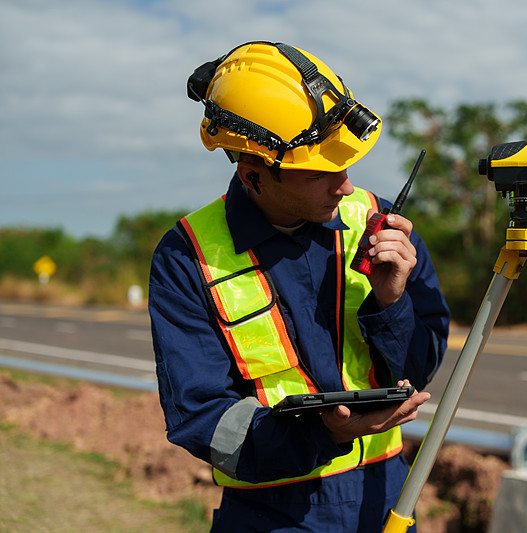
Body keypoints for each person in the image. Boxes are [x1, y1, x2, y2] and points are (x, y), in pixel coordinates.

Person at [148, 41, 450, 532]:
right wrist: (324, 433)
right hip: (271, 514)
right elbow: (204, 420)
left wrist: (392, 301)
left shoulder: (378, 222)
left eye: (345, 165)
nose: (345, 186)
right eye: (322, 172)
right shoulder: (188, 256)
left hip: (387, 499)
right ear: (254, 176)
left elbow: (420, 368)